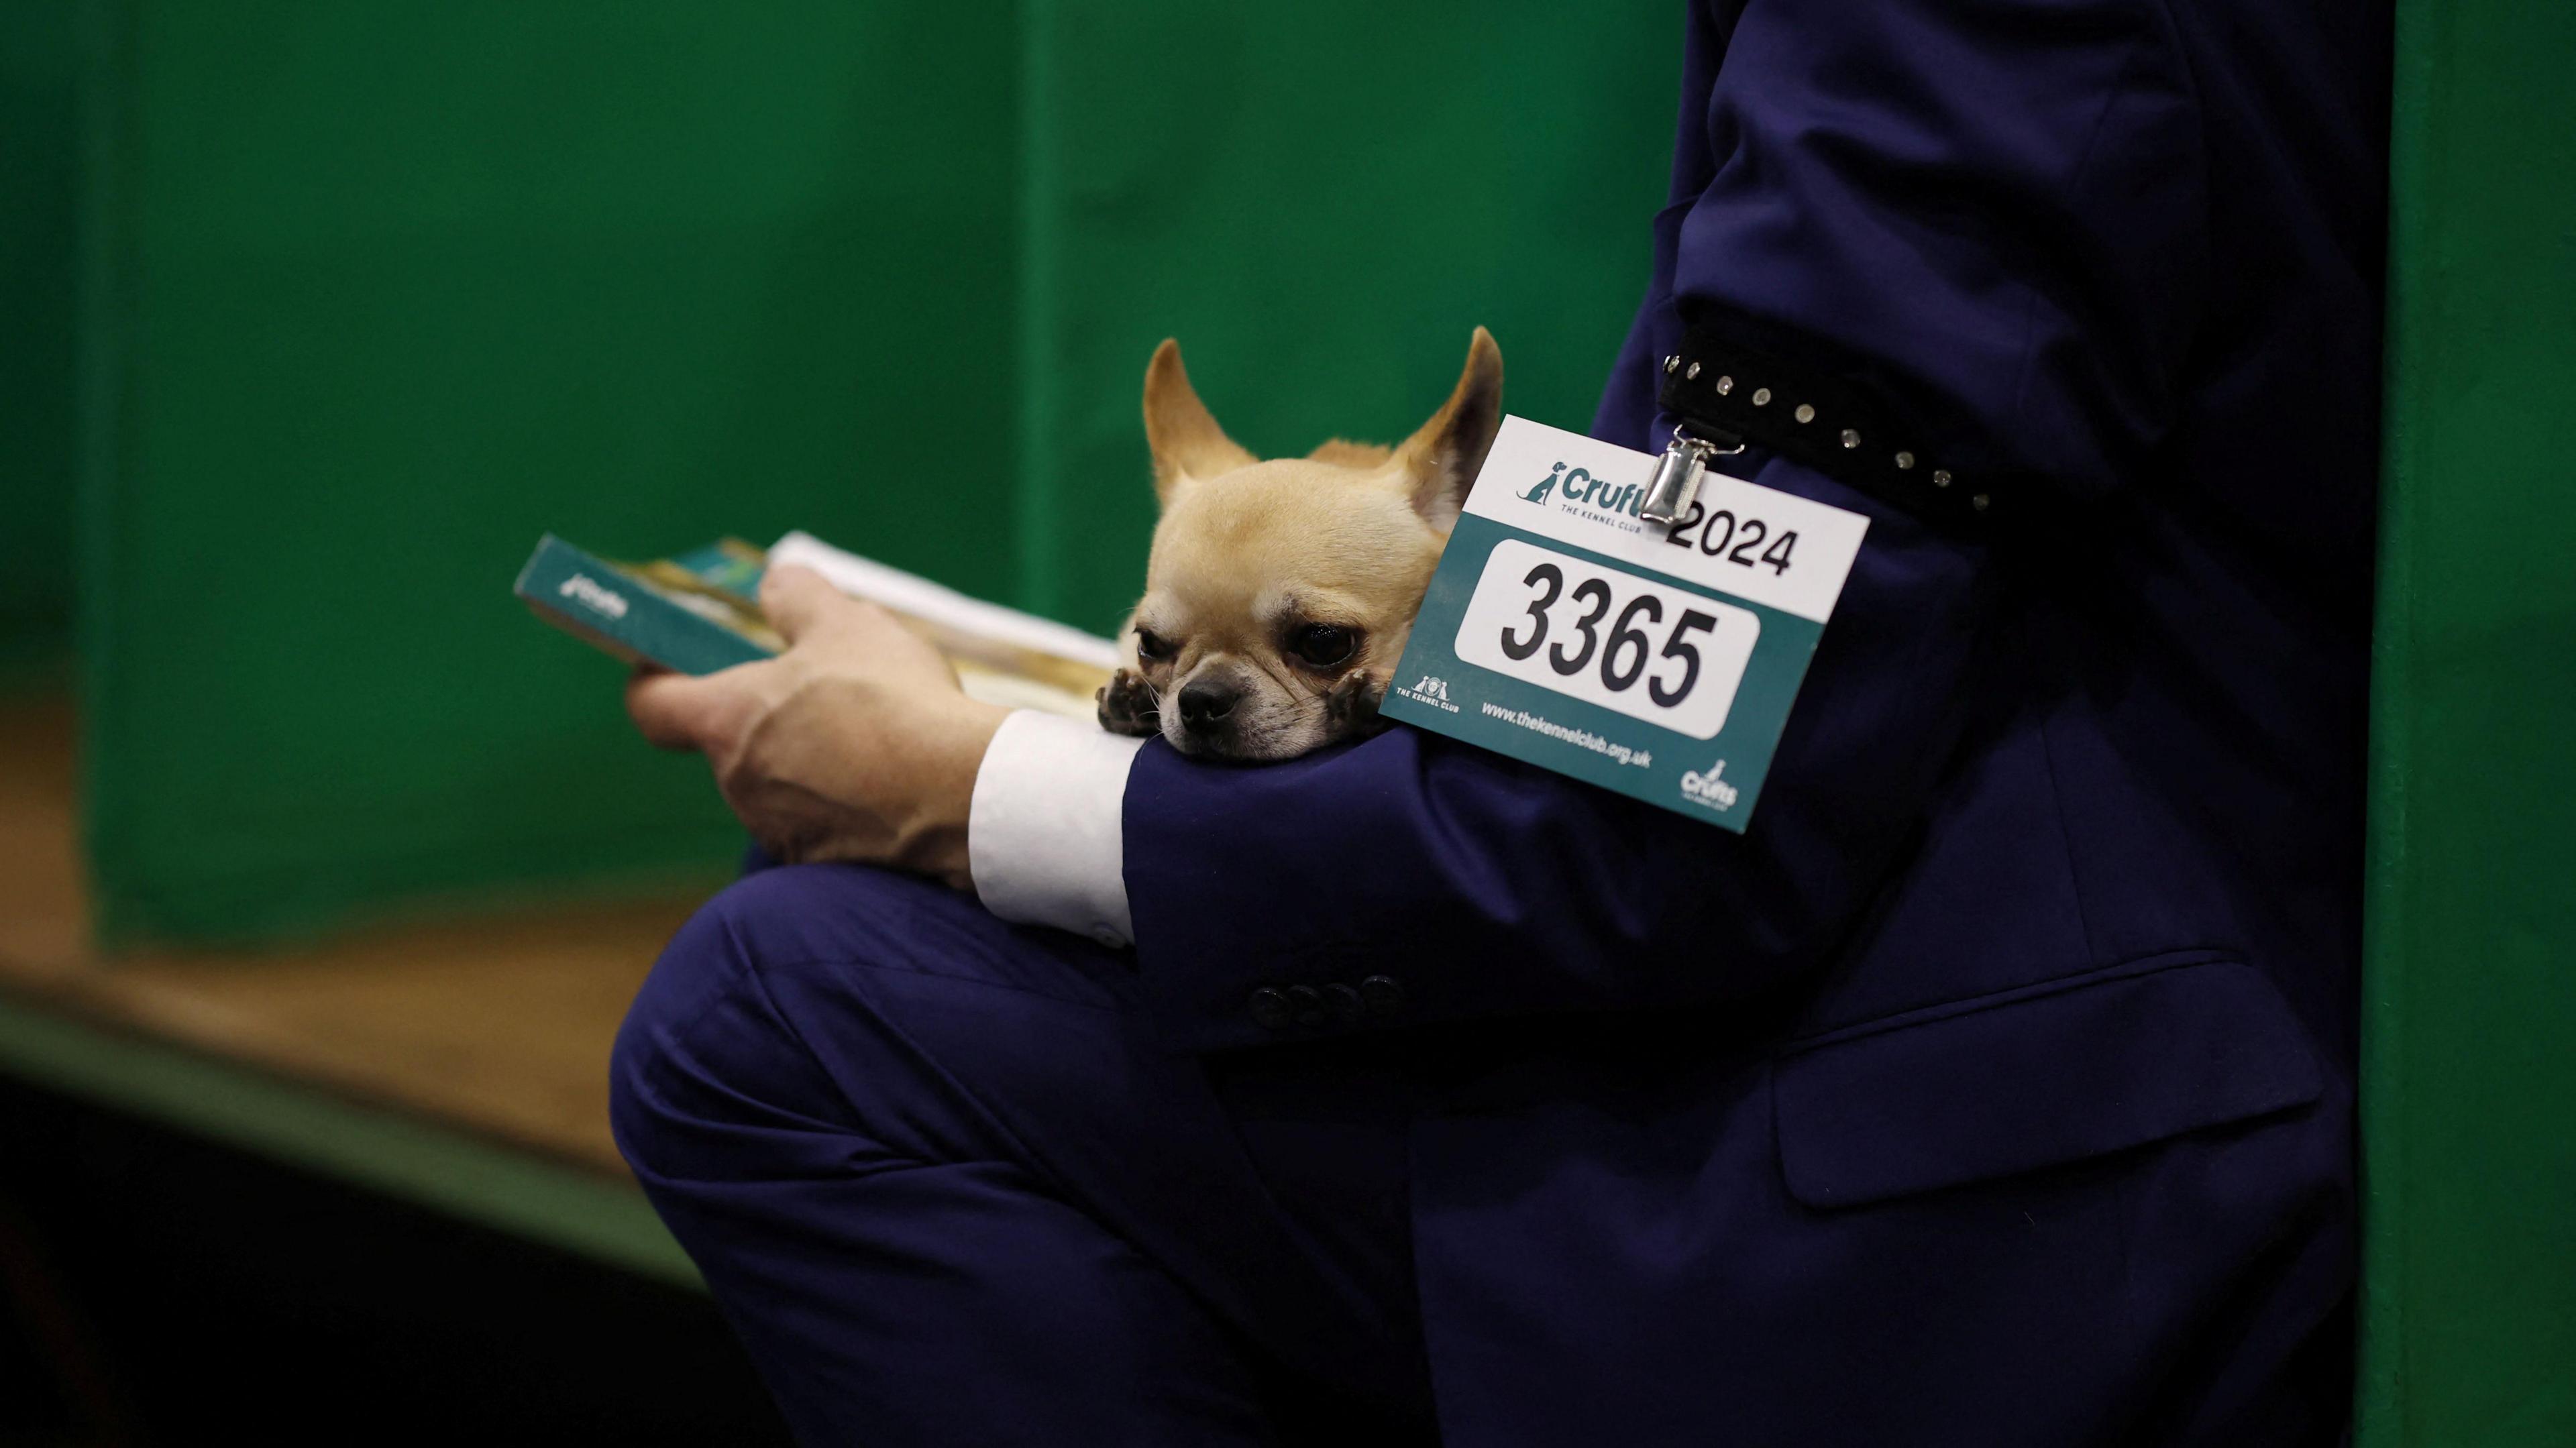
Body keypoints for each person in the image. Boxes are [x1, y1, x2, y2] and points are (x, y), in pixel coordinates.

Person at [609, 0, 2390, 1441]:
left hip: (1992, 1156)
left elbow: (1649, 814)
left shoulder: (1956, 34)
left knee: (776, 1008)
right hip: (2119, 984)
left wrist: (970, 795)